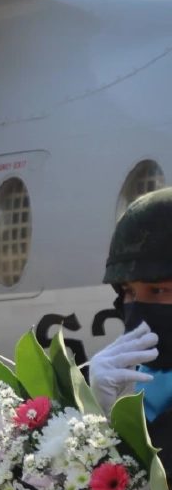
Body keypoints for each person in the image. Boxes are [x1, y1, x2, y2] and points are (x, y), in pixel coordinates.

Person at [90, 187, 172, 456]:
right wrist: (99, 418)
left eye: (158, 290)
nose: (138, 310)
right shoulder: (113, 382)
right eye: (128, 291)